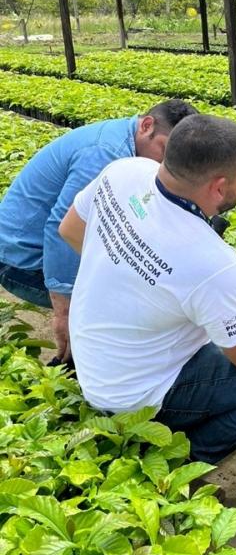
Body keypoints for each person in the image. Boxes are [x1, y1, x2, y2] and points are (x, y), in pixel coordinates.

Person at [58, 114, 236, 464]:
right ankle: (186, 461)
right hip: (136, 399)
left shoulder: (123, 172)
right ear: (219, 187)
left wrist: (135, 274)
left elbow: (71, 229)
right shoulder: (213, 263)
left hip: (93, 367)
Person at [0, 99, 199, 361]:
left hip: (48, 244)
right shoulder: (105, 153)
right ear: (147, 126)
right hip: (22, 260)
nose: (167, 164)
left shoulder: (129, 143)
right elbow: (58, 229)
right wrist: (66, 309)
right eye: (165, 150)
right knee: (124, 305)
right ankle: (71, 371)